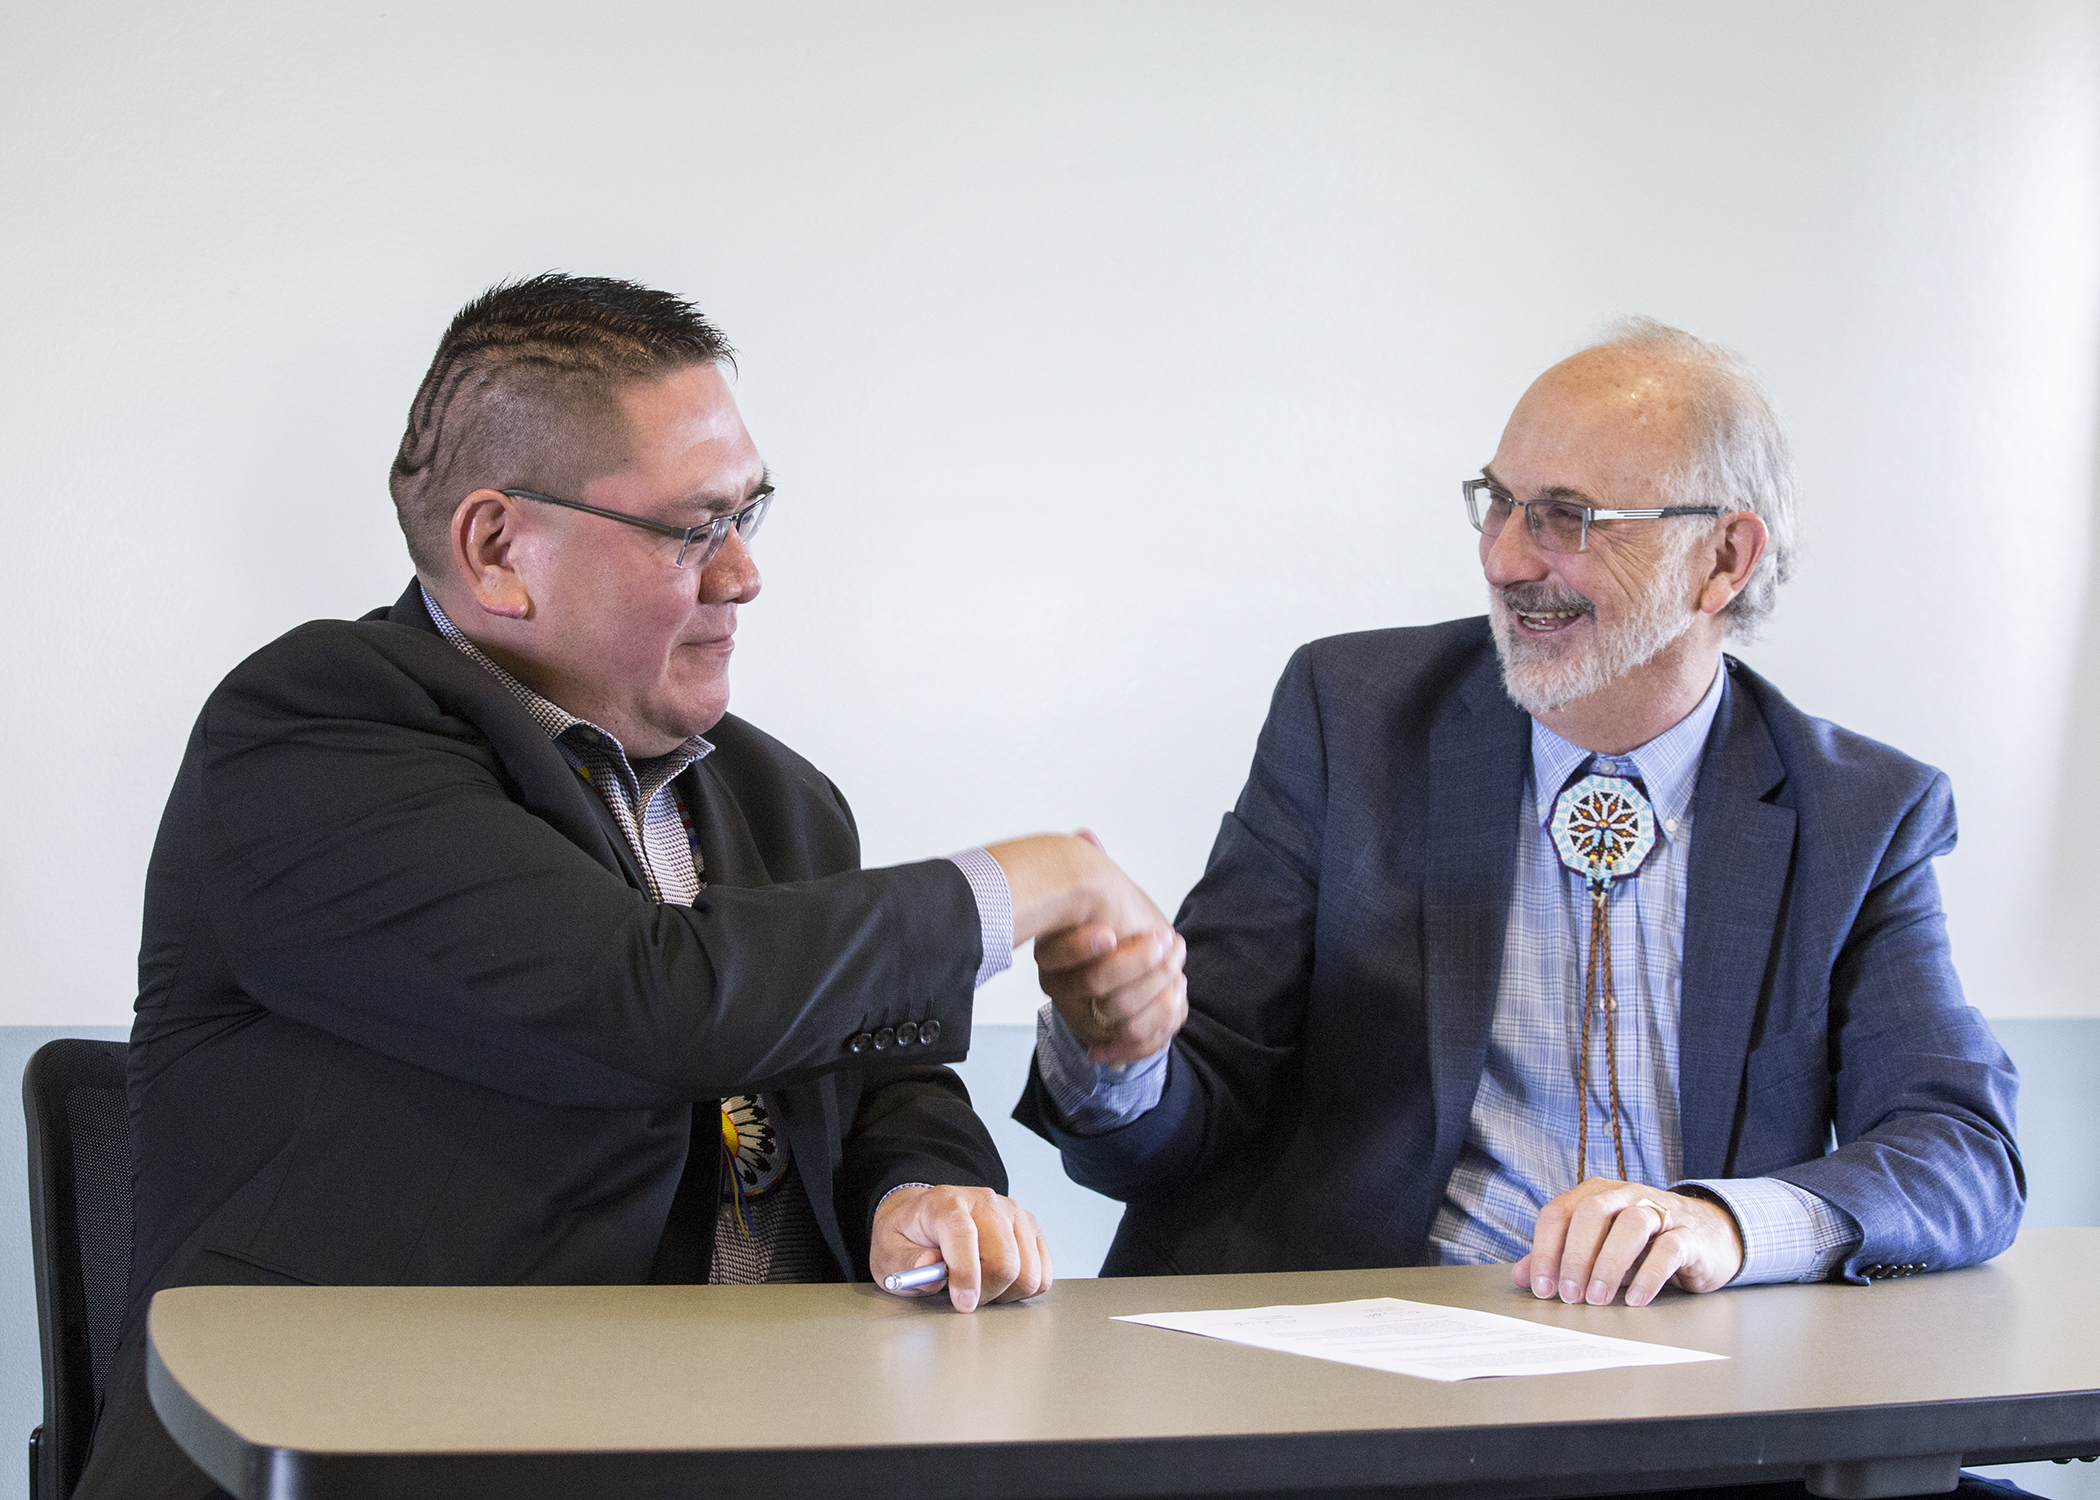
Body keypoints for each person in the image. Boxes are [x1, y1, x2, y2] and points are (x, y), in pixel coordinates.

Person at [80, 275, 1180, 1500]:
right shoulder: (312, 737)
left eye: (752, 513)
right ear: (499, 547)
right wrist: (1039, 880)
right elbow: (652, 1006)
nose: (746, 575)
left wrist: (921, 1185)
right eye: (694, 527)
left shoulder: (784, 797)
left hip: (759, 1454)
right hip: (401, 1465)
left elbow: (882, 1078)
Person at [1019, 318, 2022, 1315]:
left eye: (1567, 517)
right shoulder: (1353, 717)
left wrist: (1724, 1226)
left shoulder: (1858, 813)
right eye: (1497, 505)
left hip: (1691, 1397)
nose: (1504, 559)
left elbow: (1964, 1152)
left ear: (1724, 559)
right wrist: (1120, 1051)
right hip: (1373, 1367)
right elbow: (1193, 1103)